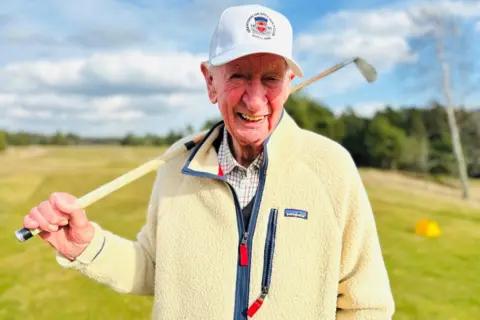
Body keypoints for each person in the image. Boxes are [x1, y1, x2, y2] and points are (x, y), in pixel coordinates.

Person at [22, 4, 395, 319]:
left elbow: (368, 304)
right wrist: (85, 246)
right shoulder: (176, 165)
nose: (254, 100)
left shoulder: (331, 167)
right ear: (210, 82)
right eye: (239, 76)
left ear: (289, 82)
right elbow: (154, 270)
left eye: (270, 79)